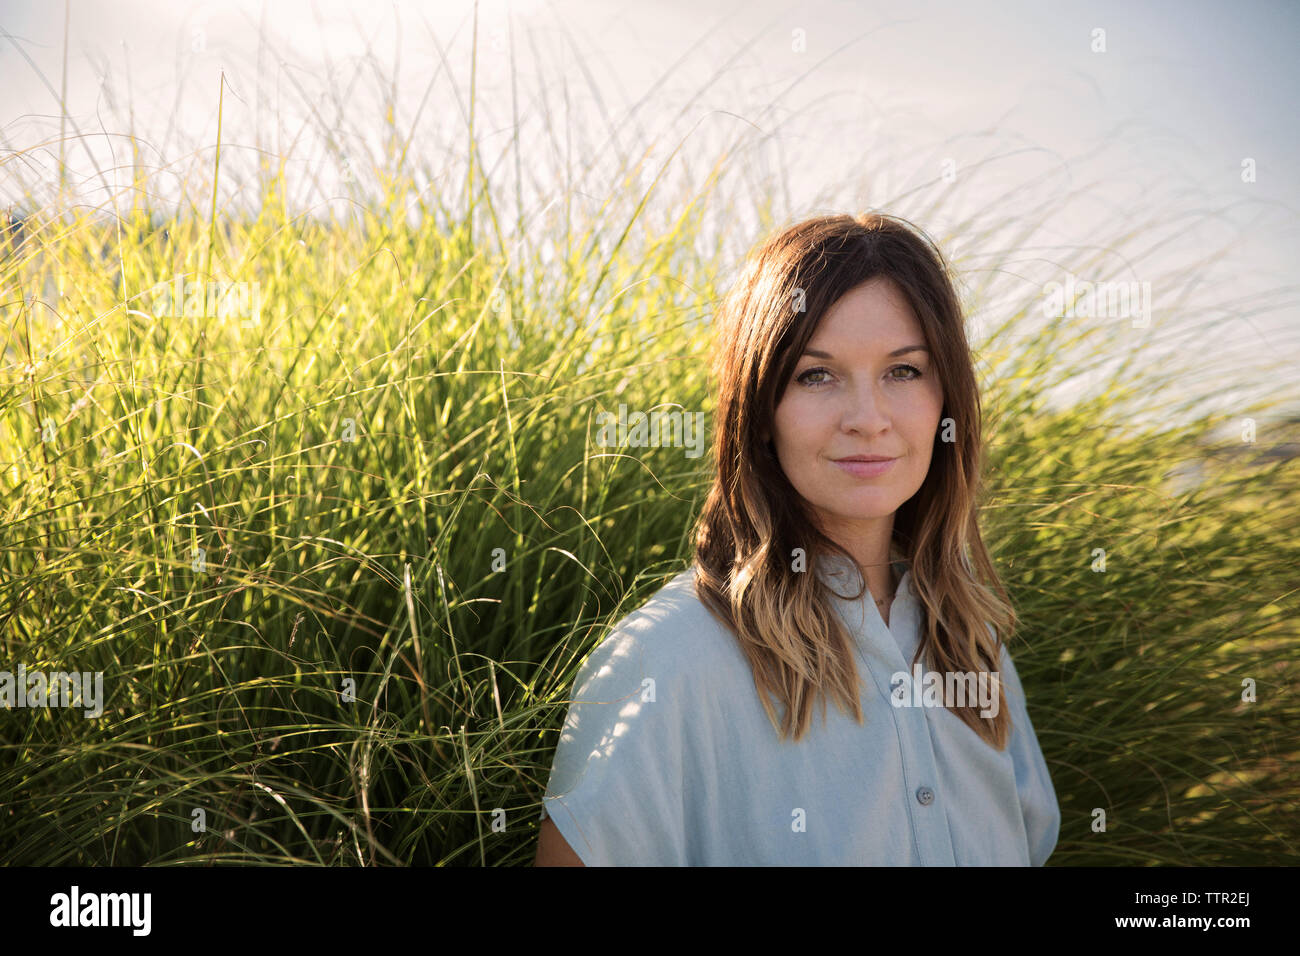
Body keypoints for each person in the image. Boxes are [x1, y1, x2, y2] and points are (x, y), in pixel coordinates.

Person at [534, 212, 1060, 866]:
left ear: (947, 397)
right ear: (758, 409)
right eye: (817, 375)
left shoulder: (973, 648)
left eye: (903, 371)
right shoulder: (673, 659)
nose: (868, 420)